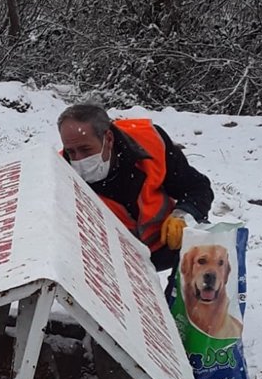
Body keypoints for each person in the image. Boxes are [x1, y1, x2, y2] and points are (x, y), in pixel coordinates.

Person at [58, 102, 213, 272]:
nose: (78, 159)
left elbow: (198, 188)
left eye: (85, 149)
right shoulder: (59, 171)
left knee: (212, 252)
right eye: (71, 152)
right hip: (115, 263)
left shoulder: (151, 143)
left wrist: (184, 215)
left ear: (108, 139)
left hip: (167, 243)